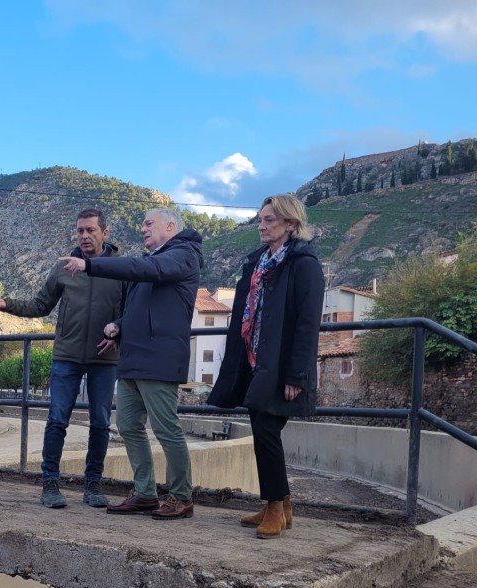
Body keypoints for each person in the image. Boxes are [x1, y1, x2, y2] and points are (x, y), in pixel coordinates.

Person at [60, 207, 201, 520]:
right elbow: (140, 307)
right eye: (142, 224)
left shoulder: (182, 255)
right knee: (127, 425)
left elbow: (149, 272)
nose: (143, 228)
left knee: (166, 429)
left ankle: (181, 497)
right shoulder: (152, 261)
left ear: (170, 226)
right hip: (133, 358)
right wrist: (119, 325)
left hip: (159, 359)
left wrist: (90, 265)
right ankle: (145, 493)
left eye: (148, 223)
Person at [0, 208, 123, 508]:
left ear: (105, 233)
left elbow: (130, 313)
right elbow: (40, 304)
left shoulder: (120, 269)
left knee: (100, 423)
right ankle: (49, 485)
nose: (84, 236)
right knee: (57, 420)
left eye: (90, 230)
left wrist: (118, 334)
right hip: (66, 357)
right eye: (80, 231)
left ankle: (93, 485)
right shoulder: (63, 268)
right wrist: (7, 304)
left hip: (105, 359)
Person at [208, 194, 324, 538]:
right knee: (261, 429)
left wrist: (295, 375)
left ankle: (276, 506)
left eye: (269, 220)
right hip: (256, 362)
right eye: (260, 219)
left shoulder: (304, 264)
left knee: (267, 431)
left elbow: (307, 324)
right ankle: (280, 505)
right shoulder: (259, 262)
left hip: (281, 367)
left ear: (291, 223)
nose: (261, 225)